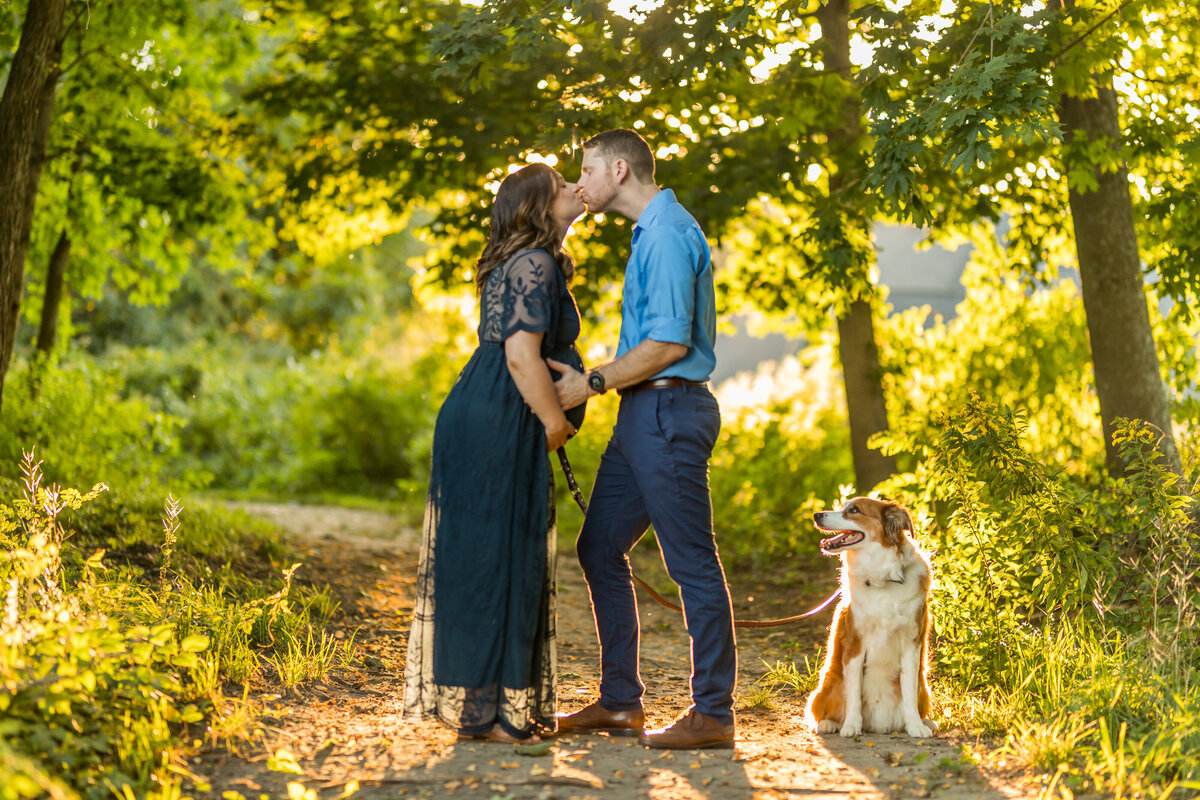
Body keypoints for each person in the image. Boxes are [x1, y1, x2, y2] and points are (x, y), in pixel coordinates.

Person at [549, 128, 737, 749]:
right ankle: (621, 702)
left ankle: (712, 712)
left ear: (619, 170)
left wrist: (591, 381)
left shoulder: (666, 234)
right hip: (642, 418)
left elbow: (669, 345)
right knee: (599, 547)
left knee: (692, 565)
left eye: (586, 170)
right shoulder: (650, 232)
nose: (580, 183)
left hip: (670, 413)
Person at [403, 162, 585, 743]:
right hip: (502, 417)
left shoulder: (521, 261)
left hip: (486, 412)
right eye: (562, 186)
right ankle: (498, 717)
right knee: (503, 558)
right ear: (538, 205)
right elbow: (520, 356)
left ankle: (486, 711)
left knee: (489, 556)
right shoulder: (533, 263)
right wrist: (555, 423)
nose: (574, 189)